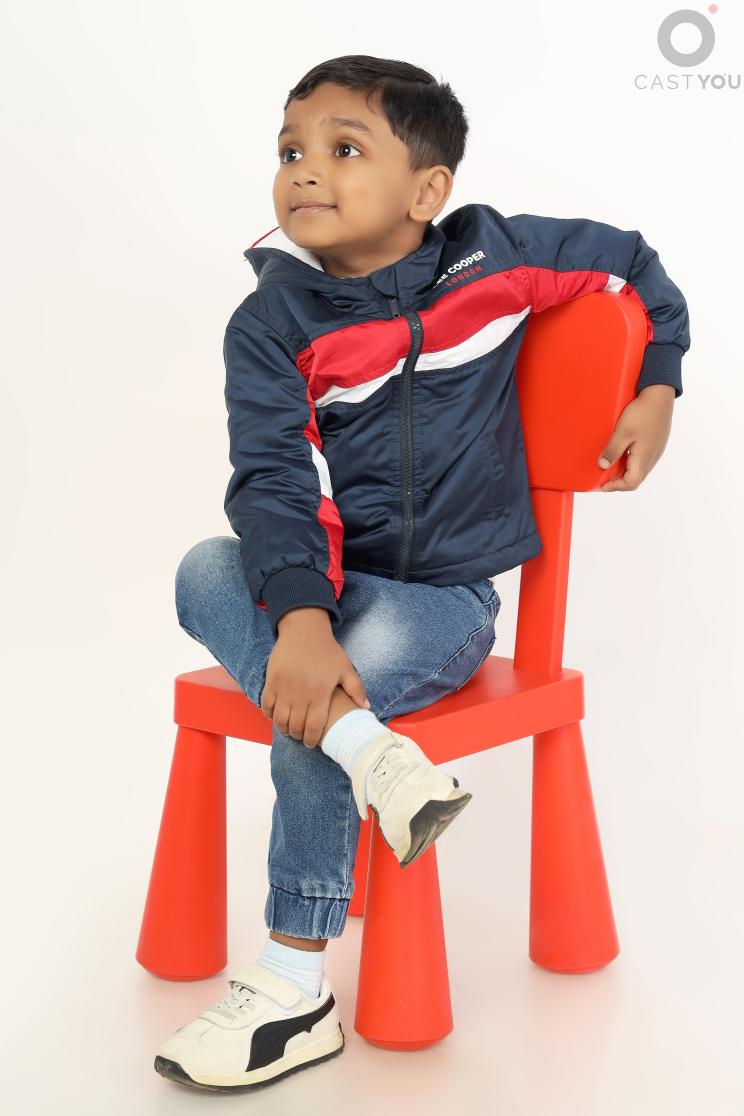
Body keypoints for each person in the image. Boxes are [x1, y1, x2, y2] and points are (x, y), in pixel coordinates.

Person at [154, 54, 690, 1093]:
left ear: (426, 190)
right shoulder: (273, 324)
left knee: (311, 699)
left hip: (444, 602)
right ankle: (378, 759)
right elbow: (273, 480)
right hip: (321, 591)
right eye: (291, 150)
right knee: (204, 570)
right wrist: (301, 620)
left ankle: (292, 984)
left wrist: (659, 385)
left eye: (345, 148)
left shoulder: (495, 259)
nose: (307, 170)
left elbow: (633, 267)